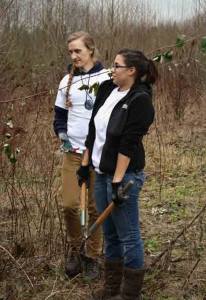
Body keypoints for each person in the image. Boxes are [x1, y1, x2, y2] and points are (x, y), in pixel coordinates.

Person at [77, 49, 158, 299]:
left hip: (125, 178)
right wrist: (84, 164)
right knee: (110, 233)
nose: (112, 69)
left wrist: (117, 181)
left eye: (117, 65)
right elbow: (93, 130)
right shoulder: (106, 90)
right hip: (101, 174)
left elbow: (128, 144)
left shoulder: (140, 100)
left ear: (131, 71)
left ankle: (129, 294)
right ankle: (111, 288)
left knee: (129, 234)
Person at [53, 31, 109, 280]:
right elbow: (59, 117)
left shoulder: (108, 78)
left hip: (98, 152)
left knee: (96, 208)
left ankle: (93, 257)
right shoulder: (67, 81)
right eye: (70, 52)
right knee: (69, 205)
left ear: (91, 50)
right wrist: (62, 134)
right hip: (73, 152)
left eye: (78, 50)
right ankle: (76, 251)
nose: (74, 55)